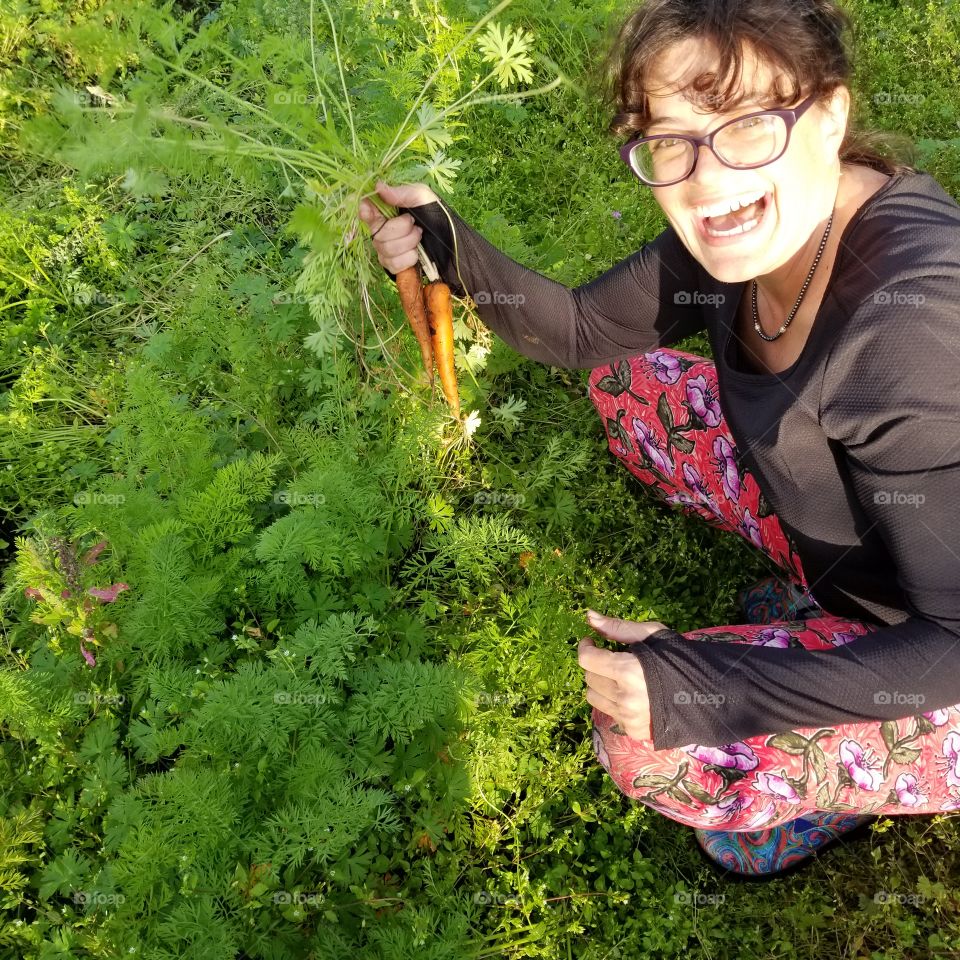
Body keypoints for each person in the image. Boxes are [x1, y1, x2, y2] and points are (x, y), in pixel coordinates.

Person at [358, 0, 960, 879]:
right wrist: (446, 245)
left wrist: (712, 694)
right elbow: (574, 331)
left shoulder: (912, 331)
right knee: (630, 382)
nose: (708, 180)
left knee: (653, 739)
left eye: (748, 125)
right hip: (853, 546)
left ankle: (854, 773)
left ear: (829, 115)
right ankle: (819, 620)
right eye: (672, 139)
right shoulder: (739, 235)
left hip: (940, 655)